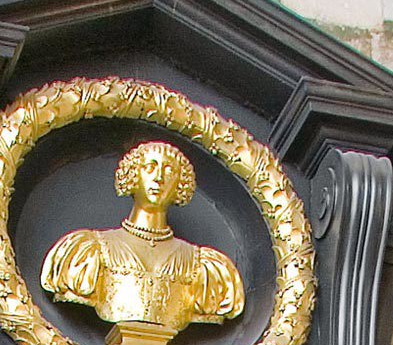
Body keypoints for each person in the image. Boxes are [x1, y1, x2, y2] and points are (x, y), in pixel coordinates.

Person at [40, 141, 244, 333]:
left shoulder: (204, 266)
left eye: (169, 171)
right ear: (133, 176)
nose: (159, 178)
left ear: (180, 184)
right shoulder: (87, 250)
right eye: (150, 167)